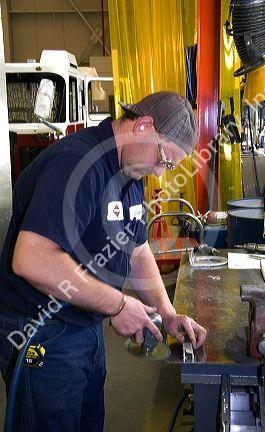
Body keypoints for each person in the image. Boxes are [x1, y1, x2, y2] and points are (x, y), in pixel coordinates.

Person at [0, 91, 207, 432]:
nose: (159, 171)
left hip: (84, 325)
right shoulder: (75, 164)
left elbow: (138, 249)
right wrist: (117, 304)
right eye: (164, 160)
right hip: (41, 332)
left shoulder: (129, 175)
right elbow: (32, 259)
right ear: (143, 127)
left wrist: (166, 313)